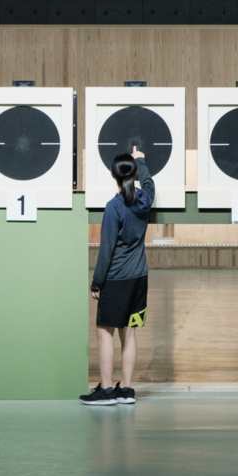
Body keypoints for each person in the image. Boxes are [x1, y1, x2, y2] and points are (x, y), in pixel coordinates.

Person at [79, 144, 155, 406]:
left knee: (104, 332)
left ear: (114, 176)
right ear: (133, 174)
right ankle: (126, 389)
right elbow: (149, 183)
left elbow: (107, 249)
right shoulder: (145, 200)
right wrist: (140, 160)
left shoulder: (114, 207)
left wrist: (96, 282)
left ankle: (107, 390)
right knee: (130, 333)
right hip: (139, 279)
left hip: (116, 280)